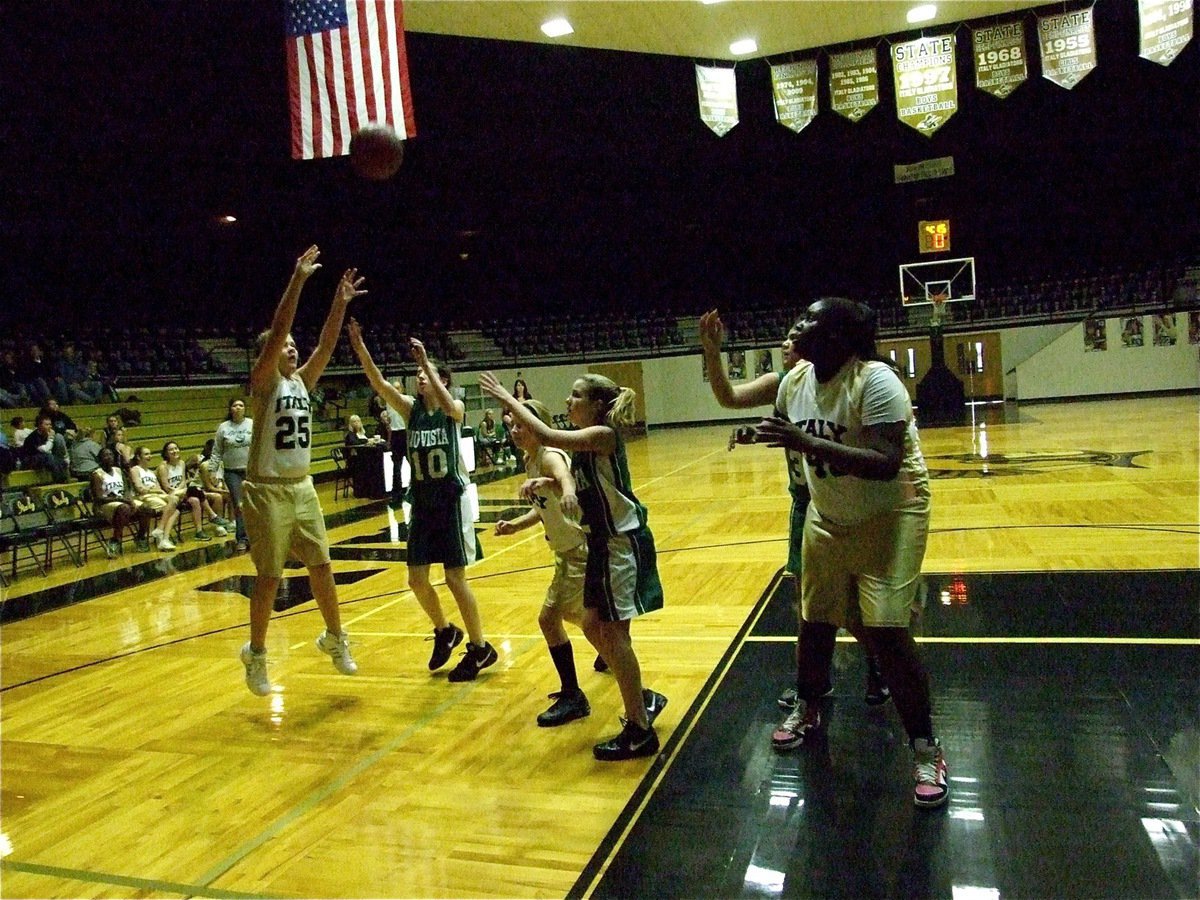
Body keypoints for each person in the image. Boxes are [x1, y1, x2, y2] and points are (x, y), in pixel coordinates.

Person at [755, 297, 948, 808]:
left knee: (885, 627)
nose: (797, 323)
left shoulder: (877, 381)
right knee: (815, 617)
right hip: (829, 513)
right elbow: (790, 440)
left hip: (892, 511)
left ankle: (927, 747)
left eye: (810, 319)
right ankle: (808, 705)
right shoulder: (794, 382)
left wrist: (805, 442)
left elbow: (885, 463)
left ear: (838, 339)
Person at [698, 310, 889, 713]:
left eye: (792, 336)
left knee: (849, 604)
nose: (786, 343)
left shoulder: (846, 381)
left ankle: (877, 661)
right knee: (807, 601)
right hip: (805, 503)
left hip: (849, 502)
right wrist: (712, 352)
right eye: (783, 338)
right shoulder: (784, 383)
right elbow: (729, 398)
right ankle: (814, 684)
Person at [480, 371, 667, 761]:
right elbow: (580, 489)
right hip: (600, 544)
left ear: (597, 405)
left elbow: (548, 437)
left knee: (613, 637)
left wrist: (506, 398)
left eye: (576, 396)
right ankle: (642, 700)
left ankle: (639, 729)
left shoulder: (601, 435)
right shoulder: (583, 448)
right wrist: (549, 488)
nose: (569, 401)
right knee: (593, 628)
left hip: (620, 542)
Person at [238, 246, 362, 696]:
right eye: (285, 346)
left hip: (302, 488)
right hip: (266, 490)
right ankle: (255, 654)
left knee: (323, 567)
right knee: (270, 577)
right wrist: (298, 280)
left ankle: (335, 637)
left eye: (293, 345)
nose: (292, 348)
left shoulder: (302, 382)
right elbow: (278, 333)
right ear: (270, 356)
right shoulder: (265, 381)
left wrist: (339, 302)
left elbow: (327, 344)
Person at [346, 319, 497, 682]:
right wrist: (359, 345)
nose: (420, 378)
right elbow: (380, 384)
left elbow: (452, 407)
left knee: (455, 578)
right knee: (416, 579)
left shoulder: (451, 409)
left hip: (449, 502)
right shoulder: (411, 411)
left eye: (425, 374)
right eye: (417, 373)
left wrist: (428, 361)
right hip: (423, 504)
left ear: (441, 380)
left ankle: (480, 647)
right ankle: (445, 630)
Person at [493, 399, 592, 726]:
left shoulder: (549, 455)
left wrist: (566, 490)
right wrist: (516, 526)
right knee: (573, 615)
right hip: (565, 553)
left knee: (549, 620)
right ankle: (607, 653)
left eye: (520, 424)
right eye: (511, 425)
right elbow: (542, 507)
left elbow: (565, 477)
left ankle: (573, 694)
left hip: (578, 550)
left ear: (539, 425)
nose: (515, 430)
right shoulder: (530, 460)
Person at [157, 440, 222, 542]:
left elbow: (183, 480)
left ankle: (199, 532)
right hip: (171, 495)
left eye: (176, 448)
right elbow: (166, 486)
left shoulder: (182, 463)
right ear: (165, 453)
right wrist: (178, 491)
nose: (174, 451)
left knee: (195, 500)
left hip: (184, 493)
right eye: (171, 450)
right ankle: (212, 515)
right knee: (196, 490)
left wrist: (182, 490)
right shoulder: (163, 467)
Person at [90, 447, 150, 555]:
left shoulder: (118, 471)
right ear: (100, 459)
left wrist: (130, 499)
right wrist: (122, 500)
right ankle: (115, 540)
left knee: (145, 507)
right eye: (106, 455)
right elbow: (99, 498)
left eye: (111, 455)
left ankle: (140, 537)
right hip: (104, 505)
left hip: (121, 502)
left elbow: (126, 489)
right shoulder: (97, 474)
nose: (109, 457)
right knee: (124, 508)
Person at [211, 398, 252, 552]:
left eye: (241, 405)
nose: (238, 408)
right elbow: (216, 451)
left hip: (251, 471)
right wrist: (212, 470)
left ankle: (257, 536)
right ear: (230, 409)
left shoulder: (252, 424)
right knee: (239, 504)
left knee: (254, 504)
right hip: (232, 471)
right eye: (235, 405)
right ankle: (241, 538)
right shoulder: (223, 427)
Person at [128, 446, 182, 550]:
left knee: (175, 501)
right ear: (139, 457)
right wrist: (155, 490)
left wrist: (161, 492)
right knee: (172, 509)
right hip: (143, 497)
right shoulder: (135, 470)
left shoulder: (151, 472)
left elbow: (159, 488)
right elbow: (140, 489)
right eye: (146, 454)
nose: (150, 456)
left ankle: (161, 532)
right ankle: (163, 538)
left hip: (156, 495)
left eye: (150, 454)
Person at [21, 414, 69, 482]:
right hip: (30, 459)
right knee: (49, 457)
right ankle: (59, 479)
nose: (49, 426)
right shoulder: (33, 437)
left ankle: (64, 478)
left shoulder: (47, 433)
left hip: (42, 457)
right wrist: (51, 438)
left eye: (50, 424)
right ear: (40, 425)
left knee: (62, 461)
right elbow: (45, 450)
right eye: (46, 425)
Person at [383, 378, 407, 507]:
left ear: (401, 389)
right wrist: (389, 440)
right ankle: (396, 495)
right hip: (396, 435)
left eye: (398, 388)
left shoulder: (407, 400)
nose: (395, 390)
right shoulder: (389, 402)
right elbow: (389, 425)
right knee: (396, 468)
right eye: (394, 388)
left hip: (406, 434)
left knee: (415, 465)